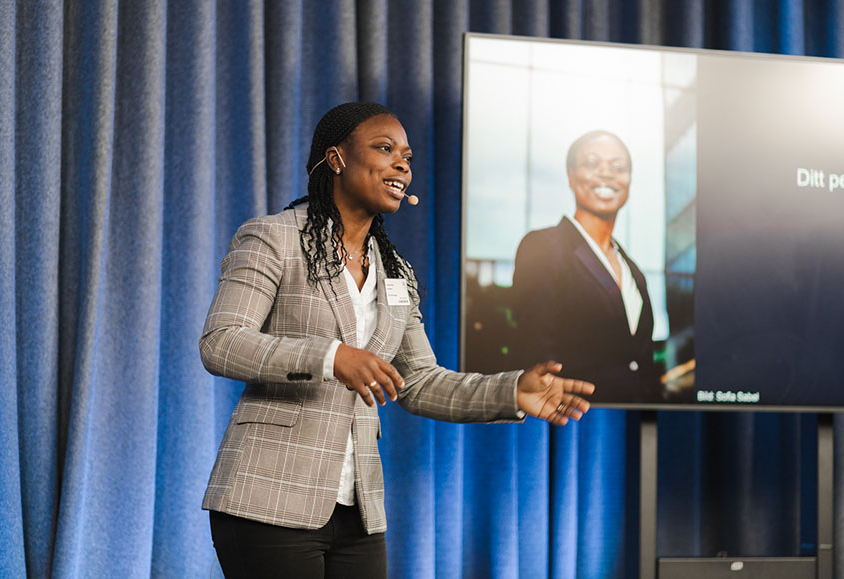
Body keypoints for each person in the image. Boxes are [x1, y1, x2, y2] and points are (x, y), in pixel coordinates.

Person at [199, 102, 594, 578]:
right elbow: (222, 342)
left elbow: (419, 381)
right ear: (336, 159)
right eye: (385, 149)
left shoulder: (396, 274)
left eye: (407, 155)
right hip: (267, 496)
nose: (403, 164)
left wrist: (510, 391)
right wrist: (331, 357)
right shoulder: (272, 238)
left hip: (359, 510)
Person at [511, 130, 658, 404]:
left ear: (629, 180)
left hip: (634, 420)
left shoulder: (633, 271)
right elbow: (535, 349)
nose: (606, 174)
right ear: (571, 176)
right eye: (592, 163)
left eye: (618, 167)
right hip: (573, 422)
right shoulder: (544, 246)